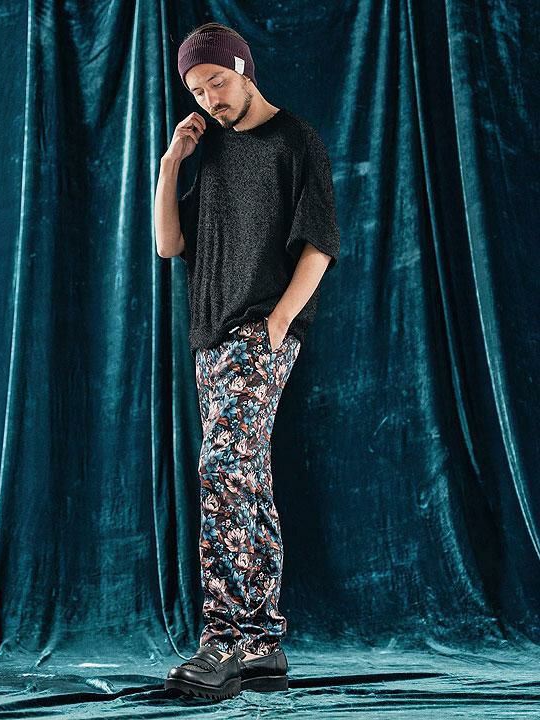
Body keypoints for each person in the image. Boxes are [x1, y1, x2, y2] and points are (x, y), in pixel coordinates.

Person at [154, 21, 341, 700]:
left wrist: (279, 323)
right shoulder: (211, 152)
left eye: (216, 83)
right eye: (198, 92)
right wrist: (171, 165)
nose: (210, 100)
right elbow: (170, 245)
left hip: (258, 333)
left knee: (223, 470)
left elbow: (320, 242)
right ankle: (262, 646)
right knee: (246, 482)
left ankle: (224, 641)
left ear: (242, 69)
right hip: (210, 340)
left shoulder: (295, 141)